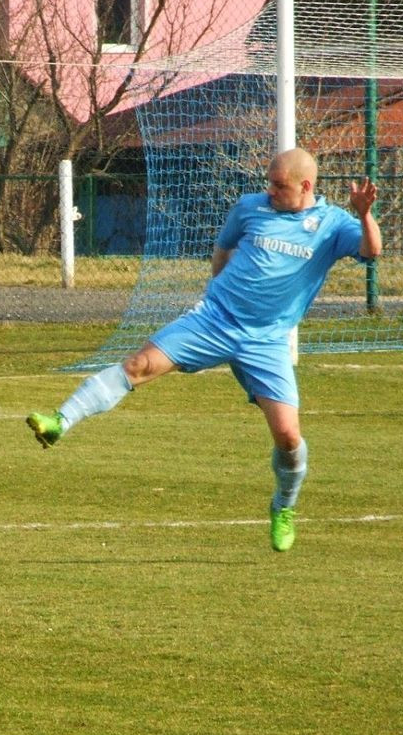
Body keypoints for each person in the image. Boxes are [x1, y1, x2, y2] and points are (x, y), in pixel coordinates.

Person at [27, 147, 382, 552]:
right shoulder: (250, 208)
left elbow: (372, 252)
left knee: (287, 436)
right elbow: (223, 249)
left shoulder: (332, 224)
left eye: (278, 186)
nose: (269, 191)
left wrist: (364, 214)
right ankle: (60, 420)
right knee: (139, 364)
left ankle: (284, 505)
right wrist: (218, 294)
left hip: (266, 339)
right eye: (267, 182)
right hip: (214, 320)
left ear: (305, 186)